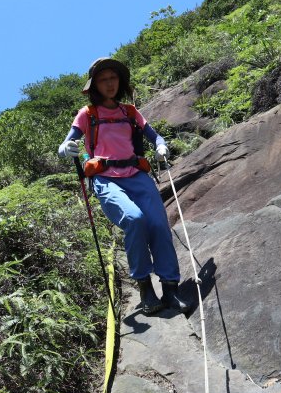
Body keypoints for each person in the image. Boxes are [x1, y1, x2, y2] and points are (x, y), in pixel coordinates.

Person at [58, 57, 190, 315]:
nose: (110, 83)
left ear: (120, 81)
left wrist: (161, 146)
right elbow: (69, 141)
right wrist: (65, 148)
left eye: (113, 78)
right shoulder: (88, 114)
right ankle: (145, 288)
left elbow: (154, 135)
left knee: (159, 225)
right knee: (134, 219)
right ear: (94, 84)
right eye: (103, 79)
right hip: (106, 178)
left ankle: (170, 288)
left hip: (136, 174)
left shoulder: (129, 112)